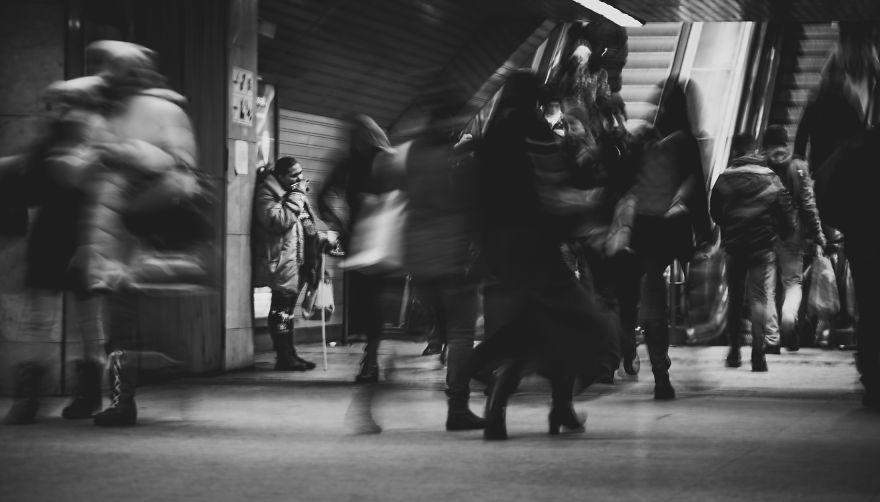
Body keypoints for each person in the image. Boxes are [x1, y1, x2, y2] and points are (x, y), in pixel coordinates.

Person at [6, 40, 207, 426]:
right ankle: (112, 398)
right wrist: (76, 161)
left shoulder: (152, 111)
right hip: (98, 226)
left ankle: (109, 395)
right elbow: (79, 168)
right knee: (110, 316)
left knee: (111, 316)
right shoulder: (98, 111)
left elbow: (179, 167)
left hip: (126, 225)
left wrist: (124, 154)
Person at [471, 69, 615, 440]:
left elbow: (478, 200)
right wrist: (586, 208)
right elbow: (552, 191)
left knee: (542, 327)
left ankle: (508, 407)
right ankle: (558, 405)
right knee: (580, 323)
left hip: (499, 252)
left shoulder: (490, 137)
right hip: (535, 249)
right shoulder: (533, 131)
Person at [615, 81, 714, 398]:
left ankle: (660, 372)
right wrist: (706, 234)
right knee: (681, 292)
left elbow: (624, 183)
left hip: (645, 232)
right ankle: (687, 326)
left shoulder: (643, 138)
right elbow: (697, 190)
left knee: (652, 296)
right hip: (674, 230)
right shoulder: (686, 142)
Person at [401, 97, 486, 431]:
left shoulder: (413, 157)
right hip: (452, 257)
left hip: (420, 261)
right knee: (463, 334)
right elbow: (469, 209)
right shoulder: (454, 164)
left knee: (446, 330)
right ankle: (458, 406)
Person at [317, 114, 396, 383]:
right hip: (369, 240)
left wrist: (340, 220)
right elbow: (322, 194)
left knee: (371, 302)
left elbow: (323, 195)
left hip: (375, 240)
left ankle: (370, 360)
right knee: (367, 302)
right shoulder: (360, 161)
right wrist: (337, 221)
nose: (352, 138)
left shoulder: (370, 160)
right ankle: (370, 355)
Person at [711, 133, 795, 372]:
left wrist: (729, 226)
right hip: (762, 247)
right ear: (754, 150)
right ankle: (758, 354)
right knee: (759, 297)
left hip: (734, 246)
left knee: (735, 298)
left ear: (736, 152)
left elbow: (715, 212)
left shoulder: (724, 178)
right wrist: (784, 232)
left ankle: (735, 351)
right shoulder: (770, 178)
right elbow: (785, 212)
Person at [252, 156, 325, 372]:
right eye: (294, 175)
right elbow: (278, 221)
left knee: (288, 312)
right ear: (281, 176)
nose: (300, 178)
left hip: (299, 260)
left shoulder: (295, 193)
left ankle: (290, 352)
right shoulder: (268, 193)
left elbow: (307, 224)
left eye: (301, 174)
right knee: (281, 312)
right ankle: (283, 356)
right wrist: (297, 195)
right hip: (283, 262)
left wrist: (320, 239)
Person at [760, 125, 827, 352]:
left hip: (763, 233)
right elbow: (808, 204)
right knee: (792, 282)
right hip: (793, 233)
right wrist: (818, 233)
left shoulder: (758, 165)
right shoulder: (798, 166)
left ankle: (772, 337)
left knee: (766, 286)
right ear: (784, 142)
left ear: (766, 143)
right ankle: (789, 319)